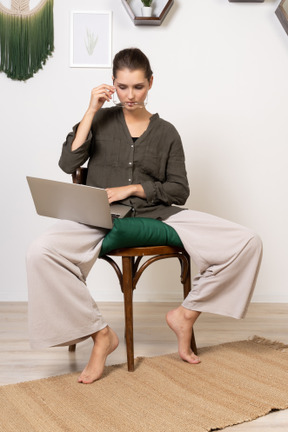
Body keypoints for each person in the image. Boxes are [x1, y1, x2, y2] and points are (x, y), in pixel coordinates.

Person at [26, 48, 262, 384]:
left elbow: (179, 190)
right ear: (113, 85)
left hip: (159, 214)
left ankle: (185, 314)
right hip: (99, 217)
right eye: (122, 87)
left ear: (151, 83)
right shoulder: (100, 120)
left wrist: (135, 188)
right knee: (40, 252)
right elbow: (67, 163)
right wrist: (91, 110)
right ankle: (100, 335)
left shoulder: (167, 133)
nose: (130, 95)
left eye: (138, 86)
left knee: (247, 242)